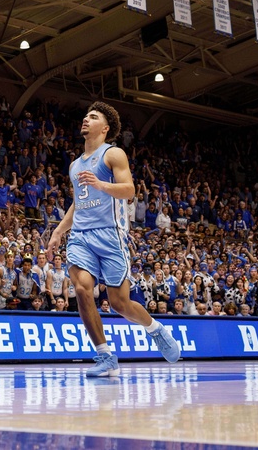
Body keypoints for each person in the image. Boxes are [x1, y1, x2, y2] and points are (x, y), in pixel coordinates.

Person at [48, 101, 181, 377]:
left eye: (93, 116)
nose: (86, 119)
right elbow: (78, 203)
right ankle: (105, 356)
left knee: (120, 303)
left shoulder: (113, 154)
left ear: (105, 128)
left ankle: (155, 328)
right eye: (86, 115)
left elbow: (129, 190)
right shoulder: (75, 165)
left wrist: (101, 184)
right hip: (81, 236)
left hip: (111, 234)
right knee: (82, 289)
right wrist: (59, 231)